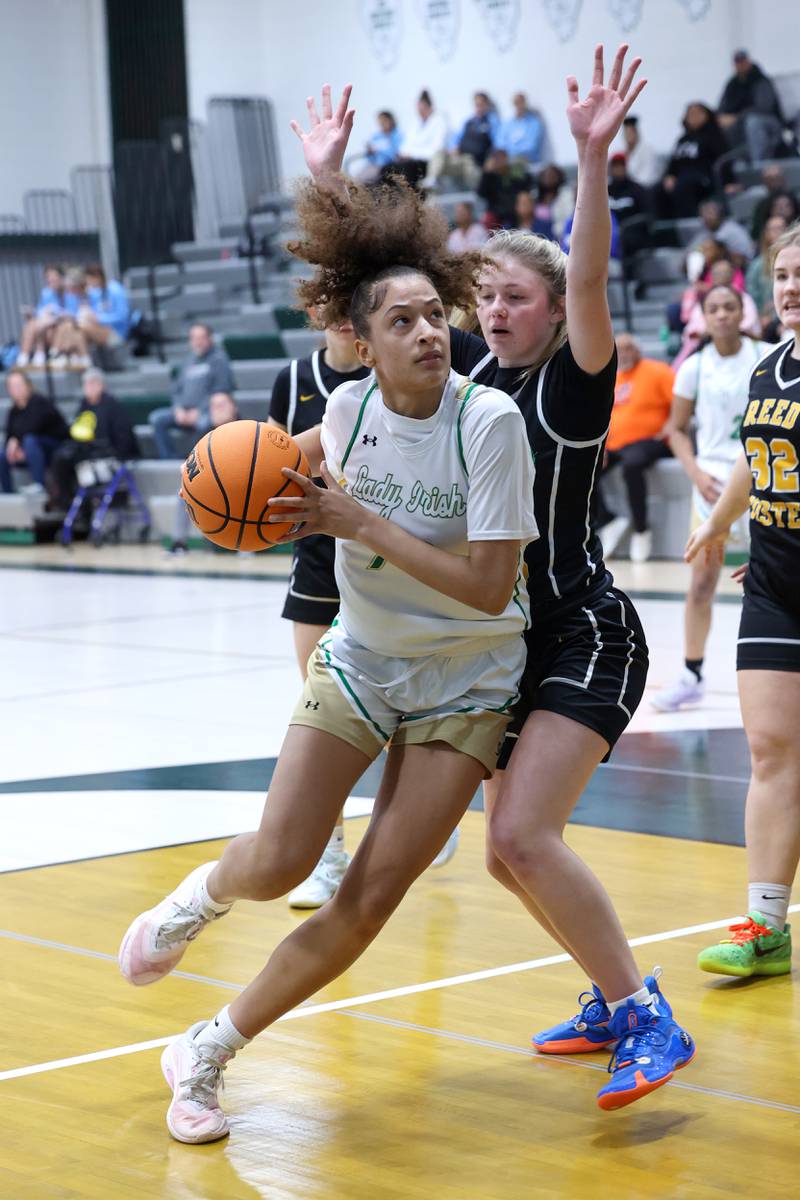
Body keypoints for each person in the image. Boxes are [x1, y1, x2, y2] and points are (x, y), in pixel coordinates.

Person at [294, 57, 696, 1109]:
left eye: (517, 297)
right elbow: (367, 315)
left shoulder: (569, 385)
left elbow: (587, 280)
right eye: (488, 299)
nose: (495, 311)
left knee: (519, 834)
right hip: (505, 642)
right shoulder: (466, 385)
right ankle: (610, 1002)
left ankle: (646, 1014)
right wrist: (328, 181)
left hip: (583, 632)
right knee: (504, 855)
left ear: (551, 311)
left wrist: (593, 156)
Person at [118, 163, 538, 1143]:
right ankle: (195, 904)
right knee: (277, 861)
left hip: (468, 681)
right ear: (360, 341)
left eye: (436, 313)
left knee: (367, 899)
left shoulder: (491, 423)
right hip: (361, 662)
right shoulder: (344, 414)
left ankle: (206, 1053)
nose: (428, 331)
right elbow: (256, 480)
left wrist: (364, 521)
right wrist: (232, 486)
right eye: (401, 321)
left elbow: (485, 587)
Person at [685, 220, 800, 977]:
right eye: (784, 276)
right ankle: (766, 925)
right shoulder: (769, 369)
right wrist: (725, 525)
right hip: (775, 588)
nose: (790, 289)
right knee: (770, 751)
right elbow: (756, 464)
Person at [268, 316, 370, 906]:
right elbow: (271, 465)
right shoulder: (294, 378)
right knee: (319, 707)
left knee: (404, 705)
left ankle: (428, 816)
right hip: (315, 552)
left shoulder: (389, 369)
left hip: (383, 545)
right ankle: (328, 858)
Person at [653, 285, 771, 711]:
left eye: (730, 307)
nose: (722, 314)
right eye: (714, 308)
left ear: (743, 312)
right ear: (702, 316)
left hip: (763, 481)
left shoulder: (767, 355)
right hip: (713, 486)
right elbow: (676, 428)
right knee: (702, 582)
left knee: (775, 580)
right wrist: (697, 472)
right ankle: (692, 672)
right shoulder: (694, 368)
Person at [594, 333, 674, 563]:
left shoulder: (657, 371)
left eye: (629, 347)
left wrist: (671, 428)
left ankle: (641, 530)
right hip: (616, 445)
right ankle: (608, 521)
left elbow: (679, 403)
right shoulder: (611, 377)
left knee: (633, 463)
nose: (624, 352)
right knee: (583, 465)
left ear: (637, 350)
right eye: (619, 348)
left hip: (653, 440)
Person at [49, 368, 139, 509]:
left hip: (108, 454)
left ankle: (74, 506)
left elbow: (124, 439)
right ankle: (66, 503)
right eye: (86, 384)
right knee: (62, 457)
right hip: (88, 452)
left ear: (101, 385)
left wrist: (110, 453)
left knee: (67, 461)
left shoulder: (113, 406)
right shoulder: (84, 405)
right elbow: (77, 432)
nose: (89, 388)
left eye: (92, 384)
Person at [167, 392, 239, 555]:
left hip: (241, 483)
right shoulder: (205, 433)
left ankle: (247, 540)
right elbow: (191, 462)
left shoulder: (249, 430)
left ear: (234, 407)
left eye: (222, 405)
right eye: (214, 406)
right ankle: (179, 543)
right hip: (215, 486)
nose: (217, 409)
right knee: (183, 492)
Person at [150, 324, 234, 459]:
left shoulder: (219, 359)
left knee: (204, 423)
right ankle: (168, 460)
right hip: (183, 412)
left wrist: (199, 411)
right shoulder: (188, 361)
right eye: (194, 338)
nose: (197, 341)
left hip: (206, 412)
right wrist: (178, 409)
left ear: (210, 339)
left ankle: (200, 462)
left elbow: (221, 391)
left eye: (201, 337)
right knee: (157, 419)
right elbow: (176, 391)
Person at [0, 368, 68, 494]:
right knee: (3, 454)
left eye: (19, 385)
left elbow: (33, 427)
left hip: (54, 450)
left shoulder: (40, 402)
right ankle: (7, 492)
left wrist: (16, 442)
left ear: (28, 385)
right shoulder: (13, 411)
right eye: (12, 386)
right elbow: (9, 437)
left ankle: (39, 484)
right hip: (28, 451)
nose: (16, 389)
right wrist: (14, 448)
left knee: (30, 440)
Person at [656, 102, 729, 220]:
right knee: (658, 189)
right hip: (681, 178)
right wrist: (669, 176)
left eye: (697, 113)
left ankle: (689, 223)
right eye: (690, 113)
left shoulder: (714, 136)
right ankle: (667, 230)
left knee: (684, 185)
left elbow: (723, 160)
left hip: (704, 177)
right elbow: (673, 163)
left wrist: (728, 181)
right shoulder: (682, 139)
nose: (693, 116)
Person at [718, 50, 787, 165]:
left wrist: (736, 117)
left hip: (769, 123)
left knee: (753, 123)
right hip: (740, 124)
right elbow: (722, 107)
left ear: (748, 61)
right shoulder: (732, 84)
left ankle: (759, 164)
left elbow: (764, 107)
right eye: (738, 62)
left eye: (743, 61)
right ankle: (730, 168)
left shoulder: (760, 80)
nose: (741, 65)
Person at [16, 265, 79, 368]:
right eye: (49, 280)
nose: (51, 282)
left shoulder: (71, 293)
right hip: (46, 327)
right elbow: (41, 311)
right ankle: (24, 356)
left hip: (63, 327)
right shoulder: (46, 292)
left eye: (54, 279)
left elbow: (75, 315)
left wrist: (57, 315)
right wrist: (32, 312)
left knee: (43, 325)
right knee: (32, 323)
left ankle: (39, 353)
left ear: (62, 278)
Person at [388, 90, 448, 190]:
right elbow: (406, 145)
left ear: (429, 107)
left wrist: (411, 154)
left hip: (427, 162)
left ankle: (412, 200)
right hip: (412, 160)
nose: (420, 112)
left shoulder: (439, 121)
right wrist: (404, 154)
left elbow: (437, 148)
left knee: (407, 168)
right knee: (388, 168)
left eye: (422, 109)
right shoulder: (416, 124)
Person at [446, 92, 500, 188]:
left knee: (470, 170)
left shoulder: (492, 122)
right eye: (476, 104)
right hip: (460, 158)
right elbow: (455, 138)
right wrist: (454, 147)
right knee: (439, 156)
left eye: (481, 104)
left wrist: (492, 157)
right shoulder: (468, 122)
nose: (478, 107)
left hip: (476, 162)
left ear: (486, 105)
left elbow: (498, 143)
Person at [746, 214, 788, 329]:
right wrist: (761, 316)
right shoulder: (756, 265)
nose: (778, 232)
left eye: (781, 228)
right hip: (764, 319)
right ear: (766, 234)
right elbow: (751, 295)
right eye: (773, 229)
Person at [687, 198, 755, 267]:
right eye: (703, 214)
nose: (707, 217)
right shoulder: (705, 232)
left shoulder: (730, 229)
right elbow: (689, 254)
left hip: (745, 268)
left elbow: (713, 252)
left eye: (710, 213)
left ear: (720, 214)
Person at [477, 149, 534, 229]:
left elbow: (528, 185)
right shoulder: (490, 176)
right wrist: (486, 174)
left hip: (515, 210)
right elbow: (481, 193)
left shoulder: (516, 171)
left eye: (501, 159)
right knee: (487, 220)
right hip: (496, 213)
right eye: (496, 159)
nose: (499, 162)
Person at [495, 92, 544, 166]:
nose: (518, 106)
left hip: (527, 161)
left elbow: (531, 146)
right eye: (516, 103)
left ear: (525, 103)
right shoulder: (507, 123)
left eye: (520, 102)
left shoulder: (534, 123)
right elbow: (500, 143)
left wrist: (512, 153)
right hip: (508, 160)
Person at [358, 110, 401, 182]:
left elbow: (396, 154)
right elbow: (368, 157)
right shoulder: (376, 136)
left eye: (384, 121)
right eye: (380, 122)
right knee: (357, 179)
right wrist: (370, 152)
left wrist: (379, 151)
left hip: (388, 167)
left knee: (366, 179)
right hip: (373, 165)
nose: (382, 124)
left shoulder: (398, 135)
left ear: (390, 120)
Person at [621, 113, 660, 188]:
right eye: (625, 133)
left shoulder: (647, 150)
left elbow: (646, 177)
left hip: (645, 190)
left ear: (636, 133)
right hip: (628, 190)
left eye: (630, 133)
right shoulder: (623, 152)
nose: (627, 136)